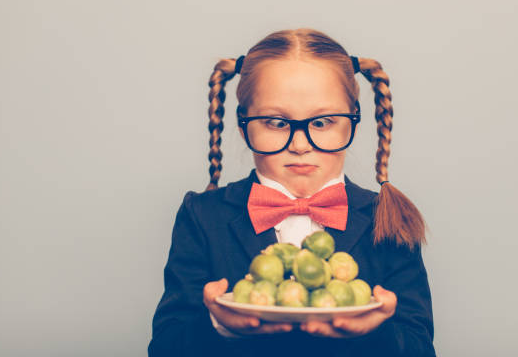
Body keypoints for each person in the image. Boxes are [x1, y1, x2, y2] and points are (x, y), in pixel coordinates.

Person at [148, 28, 436, 356]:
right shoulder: (202, 215)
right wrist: (220, 325)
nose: (300, 145)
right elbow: (166, 347)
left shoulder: (390, 219)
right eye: (275, 122)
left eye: (323, 122)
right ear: (244, 125)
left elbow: (419, 348)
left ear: (353, 121)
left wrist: (373, 332)